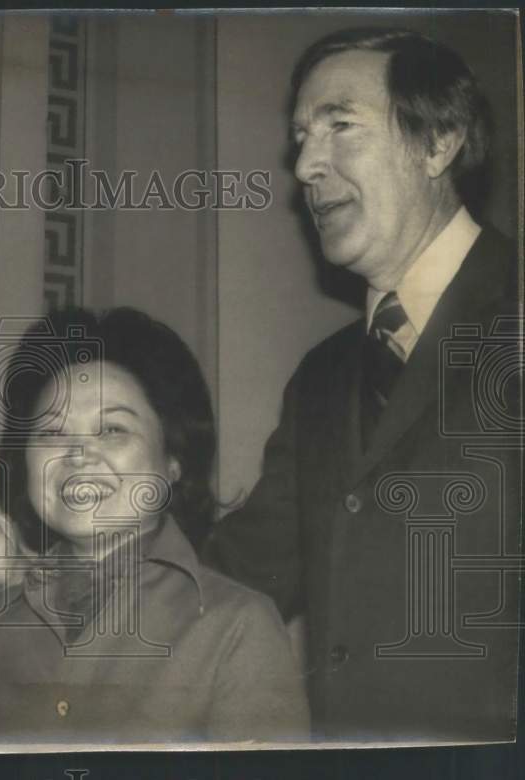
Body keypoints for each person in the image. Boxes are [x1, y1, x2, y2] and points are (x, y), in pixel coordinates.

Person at [204, 28, 521, 741]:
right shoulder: (319, 378)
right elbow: (234, 579)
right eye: (300, 139)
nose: (307, 165)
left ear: (438, 142)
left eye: (339, 125)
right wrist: (83, 579)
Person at [0, 308, 310, 743]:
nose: (77, 455)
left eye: (111, 429)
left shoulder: (238, 628)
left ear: (172, 461)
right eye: (51, 433)